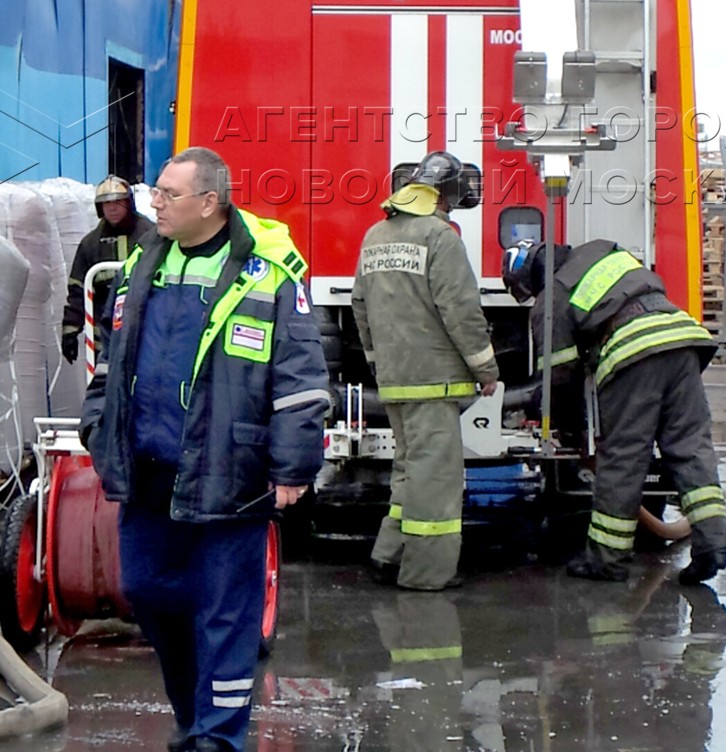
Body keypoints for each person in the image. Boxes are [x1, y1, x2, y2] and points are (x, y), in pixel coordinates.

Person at [81, 147, 331, 752]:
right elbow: (110, 364)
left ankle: (218, 739)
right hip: (149, 473)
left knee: (225, 614)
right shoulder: (145, 264)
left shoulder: (269, 276)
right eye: (156, 192)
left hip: (230, 474)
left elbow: (300, 379)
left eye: (168, 194)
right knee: (146, 592)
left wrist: (294, 464)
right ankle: (196, 714)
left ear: (209, 203)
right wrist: (98, 424)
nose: (153, 203)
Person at [502, 238, 726, 585]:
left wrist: (568, 427)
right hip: (682, 340)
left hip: (634, 354)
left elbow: (559, 379)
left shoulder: (551, 299)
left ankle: (606, 560)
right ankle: (713, 545)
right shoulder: (601, 252)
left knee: (623, 458)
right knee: (690, 448)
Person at [351, 150, 499, 591]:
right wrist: (486, 368)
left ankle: (388, 554)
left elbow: (360, 305)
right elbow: (460, 309)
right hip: (435, 381)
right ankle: (426, 575)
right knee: (436, 481)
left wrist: (378, 362)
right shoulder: (440, 236)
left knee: (409, 472)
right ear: (446, 195)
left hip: (395, 381)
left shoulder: (376, 234)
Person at [61, 174, 151, 364]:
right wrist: (70, 331)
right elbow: (78, 290)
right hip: (106, 339)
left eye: (118, 202)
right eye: (106, 203)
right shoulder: (91, 244)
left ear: (129, 203)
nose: (112, 208)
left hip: (146, 332)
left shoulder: (152, 235)